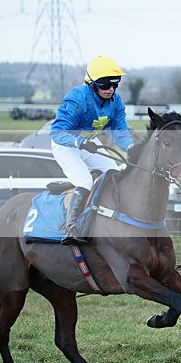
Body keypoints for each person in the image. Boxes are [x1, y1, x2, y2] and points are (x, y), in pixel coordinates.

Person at [50, 55, 135, 245]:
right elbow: (56, 133)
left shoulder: (116, 101)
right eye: (105, 85)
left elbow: (119, 132)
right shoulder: (77, 98)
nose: (110, 89)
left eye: (114, 85)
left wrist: (131, 148)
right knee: (85, 181)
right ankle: (71, 228)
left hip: (88, 141)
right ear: (92, 84)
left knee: (114, 173)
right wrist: (78, 142)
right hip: (66, 145)